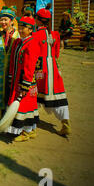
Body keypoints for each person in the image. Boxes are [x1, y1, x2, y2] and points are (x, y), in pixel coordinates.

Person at [33, 8, 71, 136]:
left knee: (34, 93)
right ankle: (65, 121)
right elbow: (56, 54)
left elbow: (33, 55)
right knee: (57, 93)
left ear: (37, 20)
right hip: (53, 69)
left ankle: (31, 119)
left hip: (39, 70)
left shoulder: (35, 35)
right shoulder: (55, 35)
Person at [4, 16, 40, 142]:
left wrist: (25, 84)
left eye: (23, 27)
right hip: (16, 80)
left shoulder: (32, 43)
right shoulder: (19, 42)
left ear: (31, 30)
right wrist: (10, 76)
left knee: (26, 106)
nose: (20, 29)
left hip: (25, 81)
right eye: (20, 26)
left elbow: (30, 66)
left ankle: (27, 132)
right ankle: (29, 130)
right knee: (22, 105)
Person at [0, 9, 20, 120]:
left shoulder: (17, 35)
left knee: (11, 94)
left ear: (11, 21)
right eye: (1, 20)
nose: (3, 22)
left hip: (12, 72)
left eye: (6, 20)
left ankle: (9, 118)